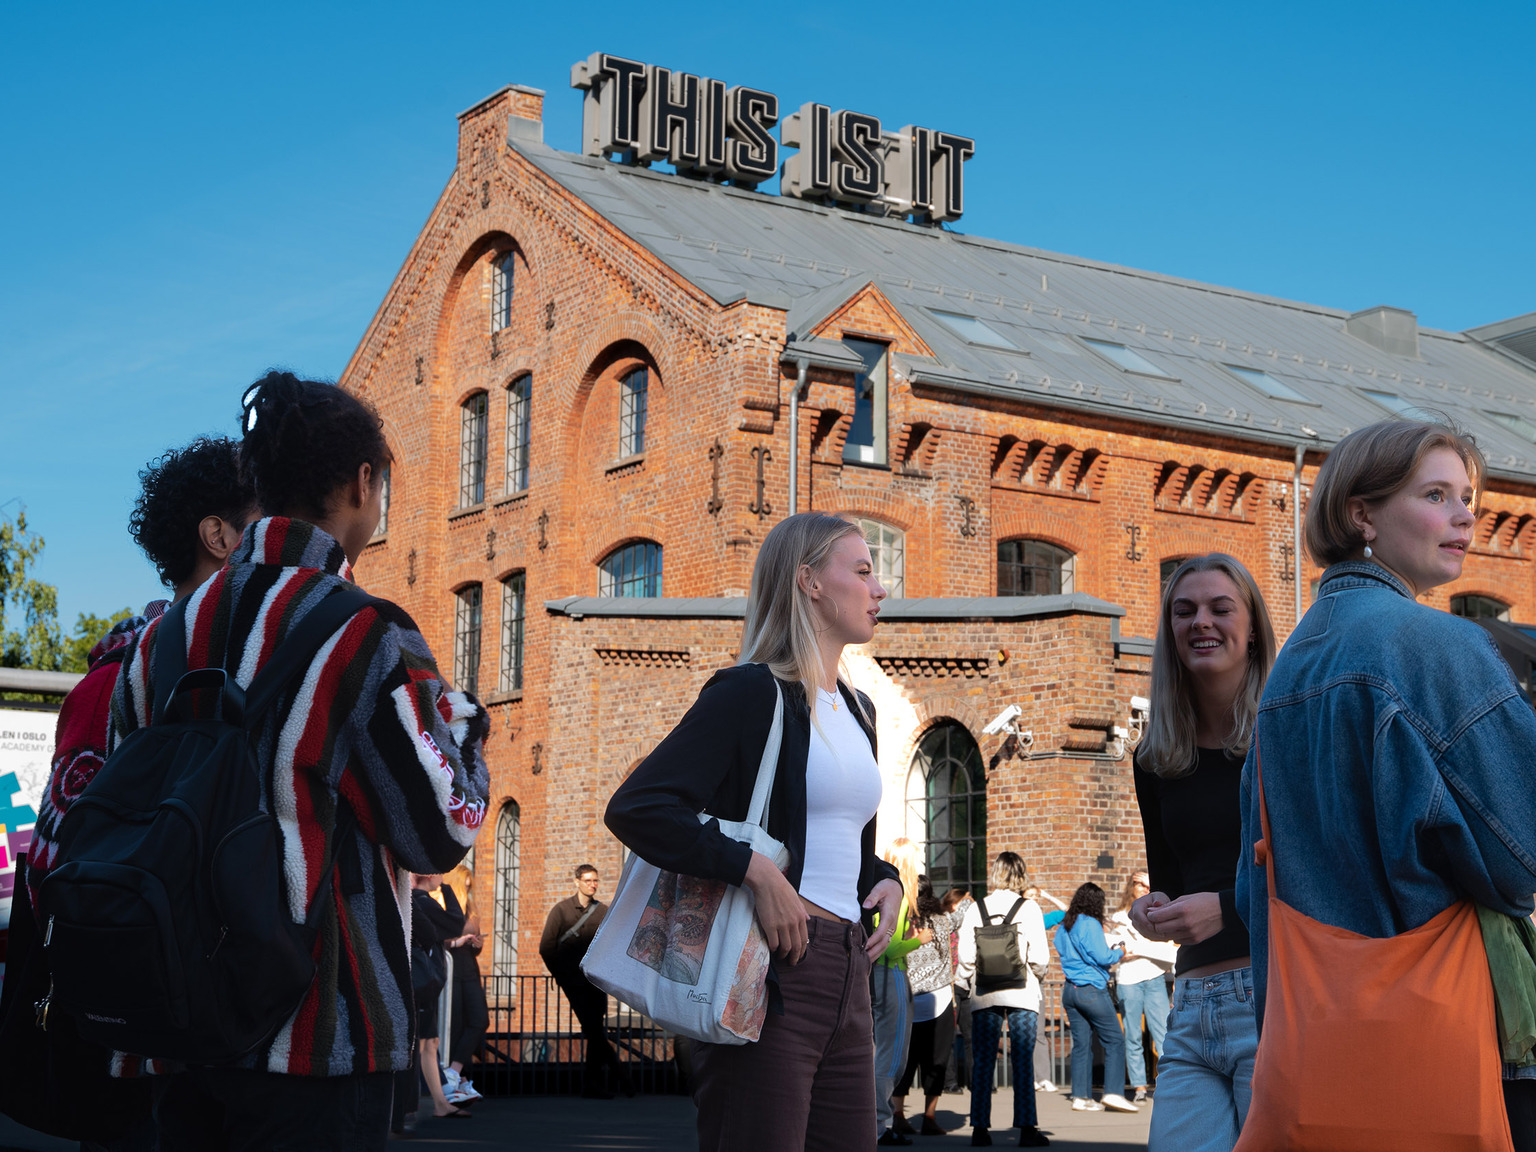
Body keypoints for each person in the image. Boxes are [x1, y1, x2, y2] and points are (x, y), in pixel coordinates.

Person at [107, 371, 490, 1150]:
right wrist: (467, 729)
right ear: (361, 483)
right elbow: (442, 830)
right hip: (320, 1029)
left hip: (174, 1021)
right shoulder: (366, 635)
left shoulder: (157, 642)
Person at [1234, 420, 1536, 1147]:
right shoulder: (1437, 645)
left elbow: (1255, 891)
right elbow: (1523, 850)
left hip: (1316, 1043)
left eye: (1468, 496)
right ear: (1360, 514)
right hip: (1450, 1042)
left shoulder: (1288, 670)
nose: (1466, 515)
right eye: (1436, 495)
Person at [605, 511, 904, 1152]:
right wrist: (755, 869)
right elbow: (638, 806)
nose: (879, 589)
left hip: (850, 971)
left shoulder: (860, 710)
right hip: (771, 968)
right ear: (809, 583)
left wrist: (885, 881)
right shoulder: (749, 693)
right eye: (862, 570)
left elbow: (838, 839)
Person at [23, 435, 258, 1152]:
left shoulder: (235, 661)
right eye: (261, 521)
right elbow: (64, 859)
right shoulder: (127, 677)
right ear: (218, 536)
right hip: (143, 1021)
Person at [1130, 552, 1276, 1152]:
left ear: (1252, 627)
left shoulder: (1283, 731)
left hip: (1271, 1000)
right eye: (1183, 611)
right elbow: (1168, 876)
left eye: (1221, 608)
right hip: (1188, 1004)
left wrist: (1228, 906)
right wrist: (1153, 907)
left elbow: (1326, 869)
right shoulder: (1155, 755)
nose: (1201, 623)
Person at [954, 851, 1052, 1148]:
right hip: (1022, 992)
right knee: (1023, 1059)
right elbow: (1039, 958)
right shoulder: (1029, 908)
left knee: (983, 1061)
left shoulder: (976, 908)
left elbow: (967, 957)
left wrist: (963, 982)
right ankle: (1026, 1128)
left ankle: (980, 1129)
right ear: (1020, 874)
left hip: (985, 993)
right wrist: (1037, 975)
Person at [539, 864, 625, 1098]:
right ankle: (613, 1078)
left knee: (594, 1030)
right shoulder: (562, 911)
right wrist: (561, 976)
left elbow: (611, 944)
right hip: (573, 982)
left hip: (596, 981)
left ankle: (597, 1082)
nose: (592, 885)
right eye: (588, 880)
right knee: (594, 1029)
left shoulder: (603, 911)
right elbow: (546, 947)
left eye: (595, 881)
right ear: (576, 881)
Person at [1054, 883, 1136, 1115]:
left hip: (1070, 989)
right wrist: (1120, 952)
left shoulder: (1066, 924)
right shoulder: (1089, 923)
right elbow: (1102, 956)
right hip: (1091, 989)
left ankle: (1080, 1097)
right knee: (1115, 1040)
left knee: (1081, 1045)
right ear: (1095, 902)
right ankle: (1113, 1093)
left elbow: (1060, 946)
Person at [892, 876, 961, 1139]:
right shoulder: (943, 923)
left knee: (905, 1060)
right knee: (937, 1060)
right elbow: (963, 910)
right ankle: (930, 1117)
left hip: (907, 998)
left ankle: (898, 1115)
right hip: (940, 999)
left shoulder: (902, 924)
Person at [874, 837, 926, 1147]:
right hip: (891, 973)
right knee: (892, 1054)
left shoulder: (882, 890)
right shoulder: (901, 895)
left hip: (881, 974)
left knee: (882, 1050)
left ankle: (879, 1121)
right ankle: (881, 1123)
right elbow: (890, 945)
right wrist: (919, 941)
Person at [1109, 871, 1176, 1103]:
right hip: (1128, 981)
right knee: (1133, 1036)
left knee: (1164, 1034)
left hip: (1155, 977)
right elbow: (1114, 950)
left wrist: (1136, 949)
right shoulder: (1119, 917)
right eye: (1139, 885)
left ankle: (1168, 1084)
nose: (1144, 890)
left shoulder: (1158, 914)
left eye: (1148, 886)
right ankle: (1139, 1086)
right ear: (1131, 887)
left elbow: (1169, 950)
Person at [411, 874, 470, 1121]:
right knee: (422, 1044)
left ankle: (440, 1102)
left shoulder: (419, 901)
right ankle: (427, 1104)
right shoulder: (422, 901)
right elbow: (456, 923)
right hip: (424, 982)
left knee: (430, 1042)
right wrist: (447, 888)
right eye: (439, 873)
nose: (442, 877)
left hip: (428, 982)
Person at [440, 863, 488, 1106]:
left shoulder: (472, 911)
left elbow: (474, 948)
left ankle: (454, 1072)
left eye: (471, 888)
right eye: (465, 887)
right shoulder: (445, 908)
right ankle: (455, 1077)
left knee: (479, 1019)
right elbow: (439, 942)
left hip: (470, 969)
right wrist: (459, 941)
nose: (468, 892)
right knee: (455, 1024)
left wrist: (477, 945)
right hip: (451, 971)